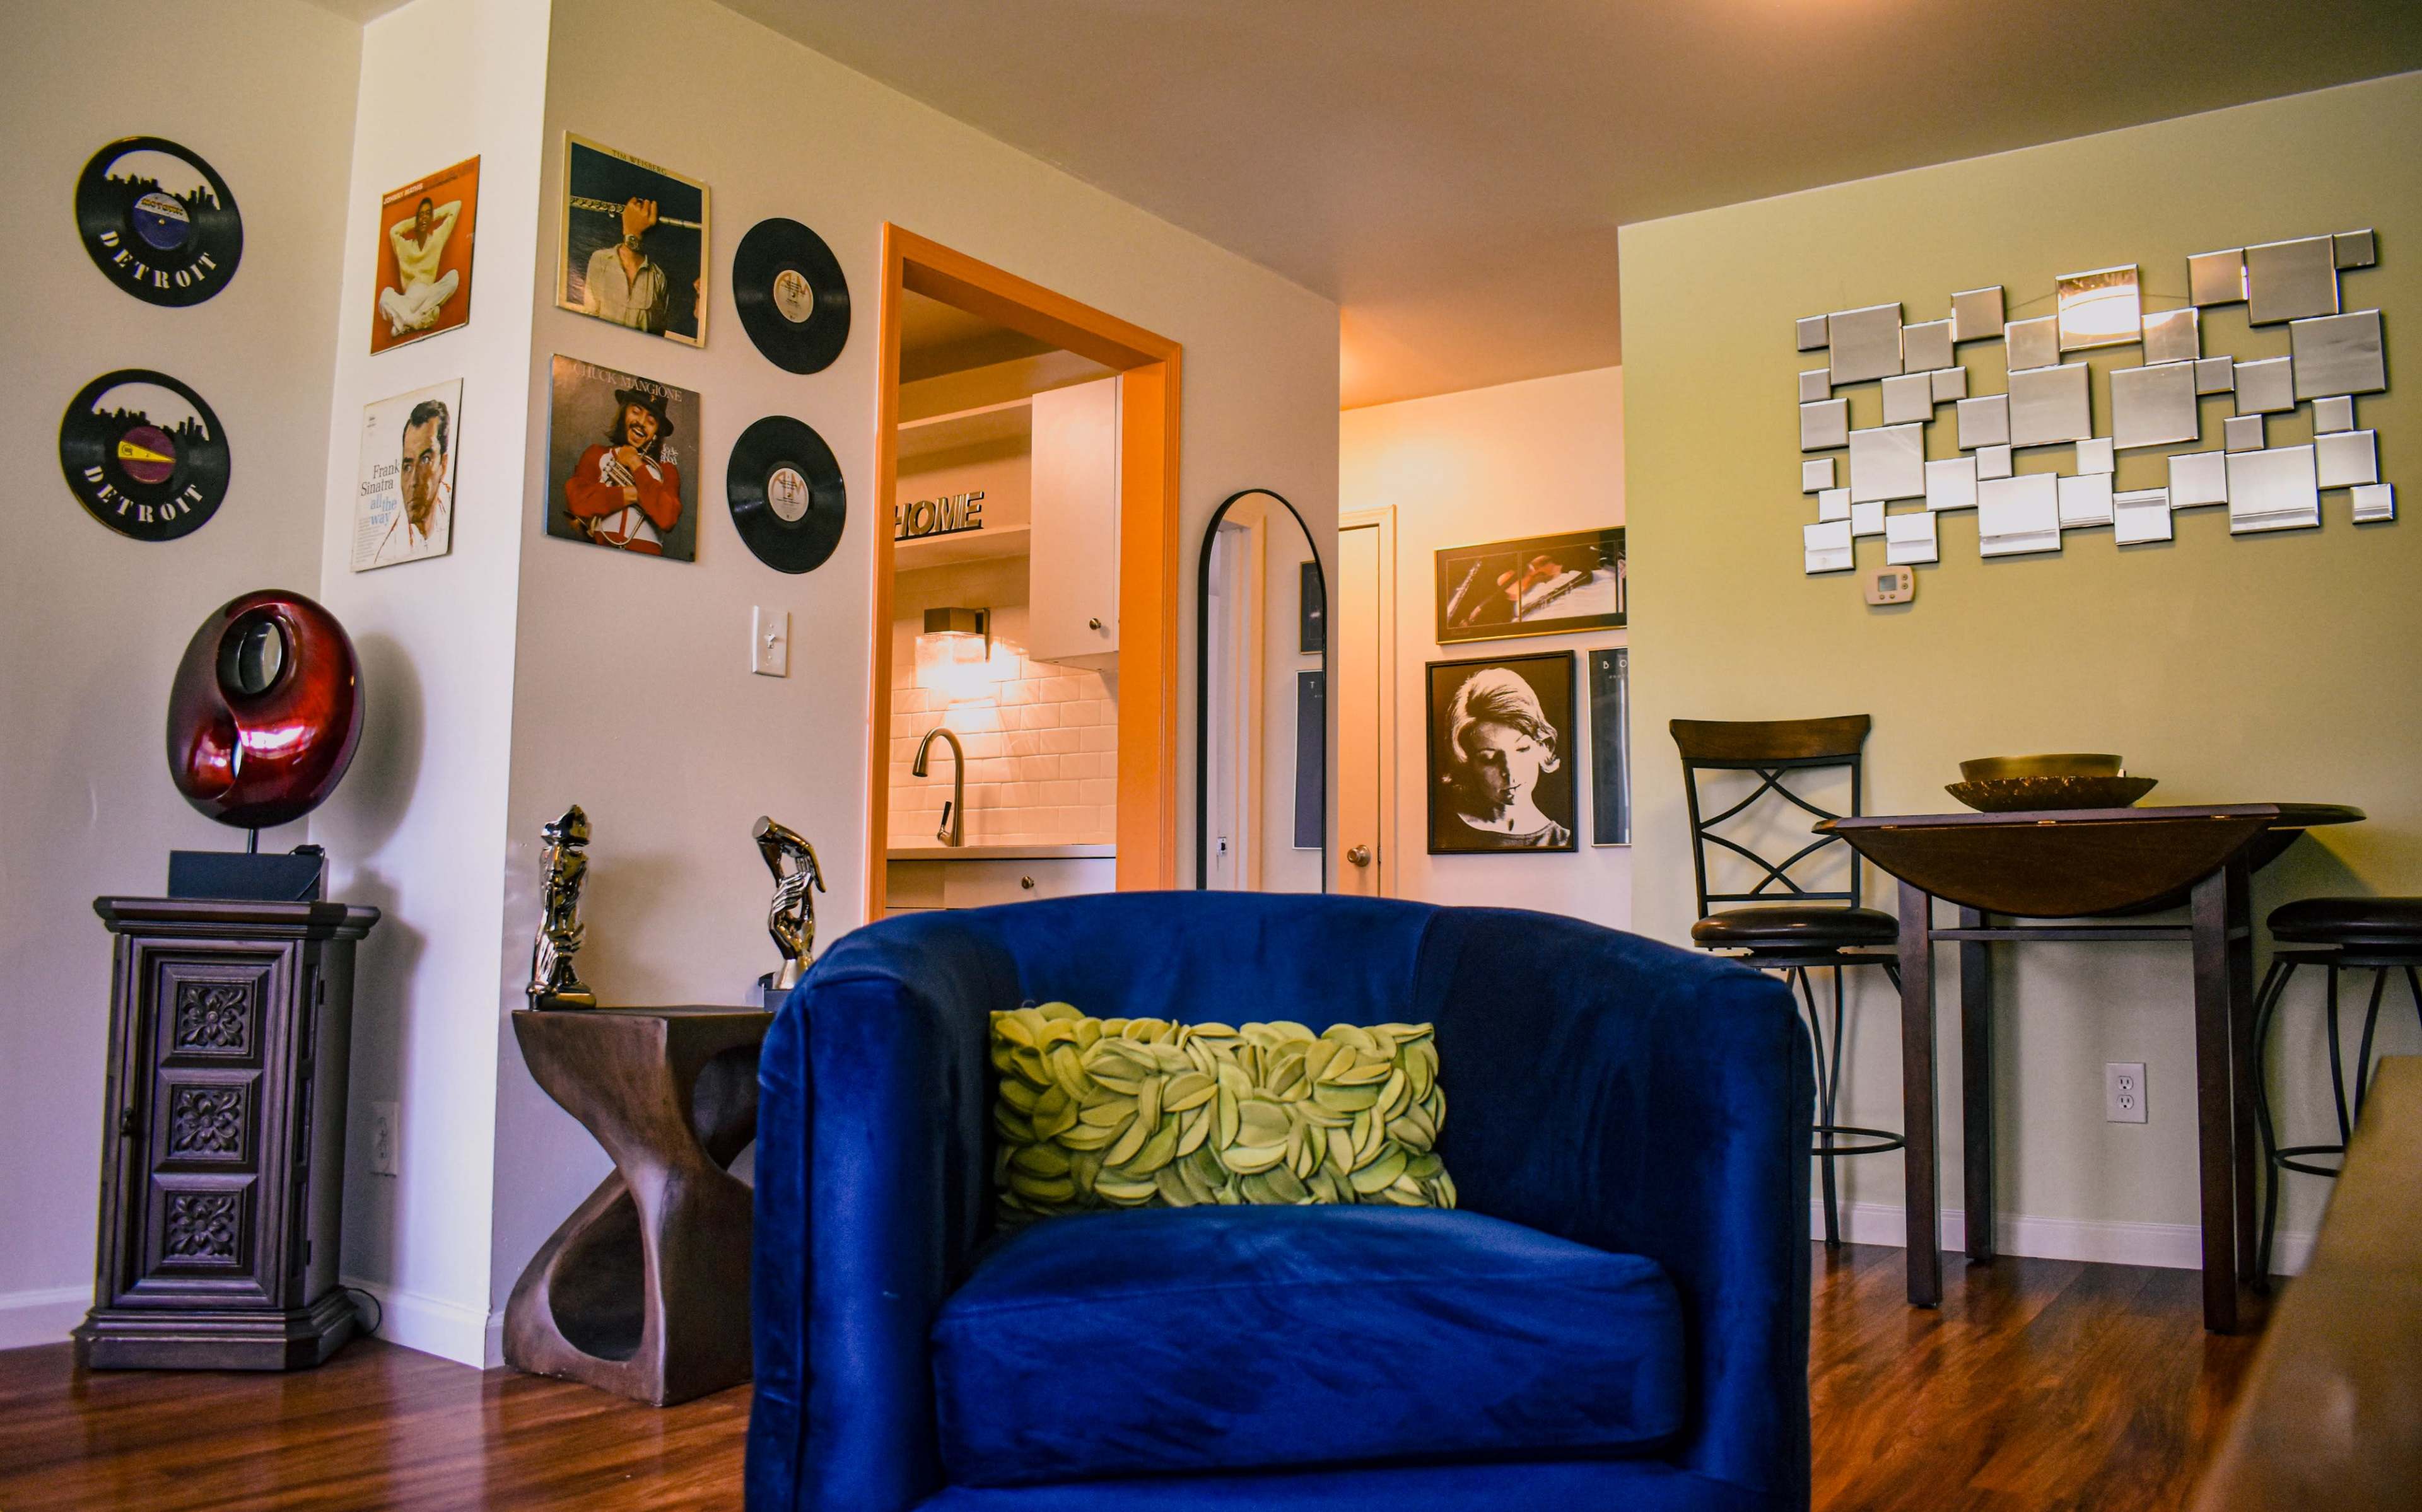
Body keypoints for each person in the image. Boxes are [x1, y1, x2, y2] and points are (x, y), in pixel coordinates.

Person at [1437, 666, 1572, 848]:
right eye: (1490, 759)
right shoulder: (1442, 834)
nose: (1510, 772)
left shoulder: (1563, 841)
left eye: (1522, 749)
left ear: (1541, 745)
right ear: (1466, 762)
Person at [564, 387, 682, 553]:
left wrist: (634, 462)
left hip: (647, 563)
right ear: (623, 414)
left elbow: (668, 517)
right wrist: (632, 494)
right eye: (635, 411)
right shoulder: (596, 454)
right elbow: (576, 502)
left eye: (651, 421)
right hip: (598, 552)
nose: (641, 423)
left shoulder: (667, 471)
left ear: (656, 433)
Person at [368, 397, 451, 566]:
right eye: (407, 466)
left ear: (443, 465)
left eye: (426, 460)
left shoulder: (454, 509)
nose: (413, 481)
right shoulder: (389, 552)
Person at [577, 197, 670, 333]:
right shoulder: (600, 259)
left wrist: (632, 233)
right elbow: (589, 320)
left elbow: (659, 334)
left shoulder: (659, 277)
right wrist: (632, 233)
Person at [377, 197, 462, 336]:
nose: (424, 218)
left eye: (428, 214)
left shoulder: (437, 239)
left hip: (427, 295)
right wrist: (417, 222)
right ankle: (417, 320)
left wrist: (430, 218)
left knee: (454, 277)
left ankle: (405, 322)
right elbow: (394, 231)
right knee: (386, 294)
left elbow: (456, 206)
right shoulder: (404, 246)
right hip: (408, 299)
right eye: (421, 214)